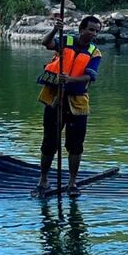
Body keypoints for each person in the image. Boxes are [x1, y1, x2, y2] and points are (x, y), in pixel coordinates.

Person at [36, 15, 103, 194]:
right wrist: (55, 30)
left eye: (96, 31)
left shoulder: (94, 52)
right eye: (91, 29)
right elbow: (46, 43)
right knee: (49, 142)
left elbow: (89, 77)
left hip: (77, 103)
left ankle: (72, 183)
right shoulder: (66, 40)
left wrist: (70, 79)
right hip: (55, 99)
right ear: (81, 29)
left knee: (75, 145)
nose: (93, 34)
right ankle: (43, 180)